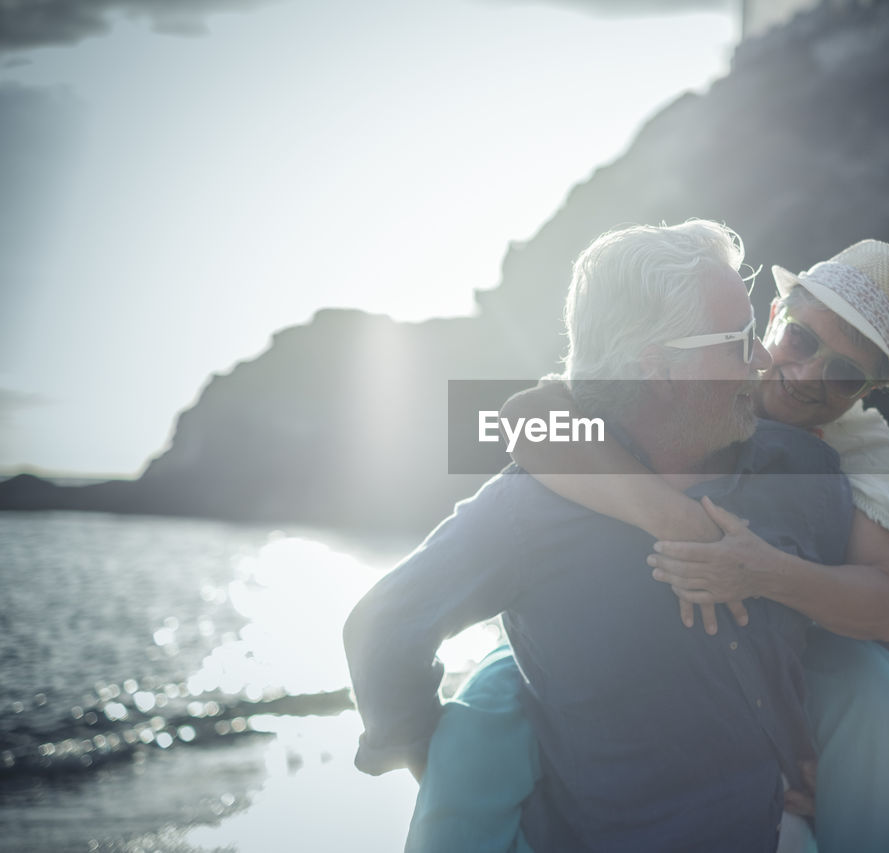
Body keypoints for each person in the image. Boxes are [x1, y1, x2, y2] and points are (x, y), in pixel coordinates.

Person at [345, 220, 857, 852]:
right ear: (659, 368)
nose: (761, 361)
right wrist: (437, 765)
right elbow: (380, 629)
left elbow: (846, 640)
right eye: (739, 340)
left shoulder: (801, 470)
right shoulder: (529, 513)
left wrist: (804, 750)